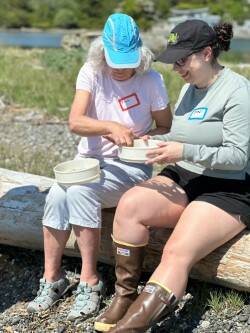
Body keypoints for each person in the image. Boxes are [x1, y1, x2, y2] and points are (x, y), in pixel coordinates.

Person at [94, 19, 250, 332]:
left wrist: (183, 151)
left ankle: (133, 327)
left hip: (229, 188)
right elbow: (178, 136)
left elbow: (239, 157)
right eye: (173, 60)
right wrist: (152, 141)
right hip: (183, 175)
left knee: (176, 251)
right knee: (130, 205)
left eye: (183, 60)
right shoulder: (189, 89)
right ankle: (125, 296)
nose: (177, 68)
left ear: (207, 53)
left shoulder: (238, 91)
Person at [27, 13, 172, 321]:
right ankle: (52, 279)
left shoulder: (151, 79)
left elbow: (165, 126)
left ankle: (90, 281)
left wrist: (145, 138)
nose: (121, 68)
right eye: (115, 60)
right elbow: (75, 121)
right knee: (55, 194)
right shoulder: (92, 72)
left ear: (140, 55)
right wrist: (108, 127)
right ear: (102, 51)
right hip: (89, 162)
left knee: (80, 193)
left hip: (130, 166)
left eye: (127, 61)